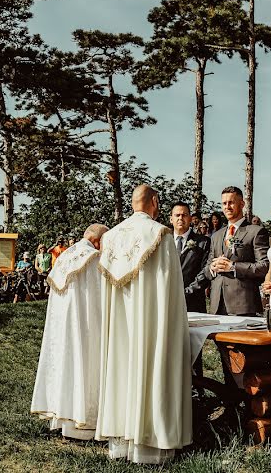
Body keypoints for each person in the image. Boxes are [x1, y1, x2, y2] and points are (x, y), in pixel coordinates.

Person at [96, 185, 191, 464]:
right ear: (155, 202)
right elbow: (170, 288)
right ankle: (152, 440)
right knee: (152, 365)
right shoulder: (160, 234)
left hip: (121, 325)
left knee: (121, 368)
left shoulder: (111, 237)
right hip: (152, 320)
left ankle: (122, 440)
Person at [31, 223, 109, 440]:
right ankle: (84, 423)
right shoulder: (93, 258)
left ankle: (62, 416)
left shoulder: (66, 256)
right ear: (97, 241)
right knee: (85, 365)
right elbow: (99, 295)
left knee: (65, 365)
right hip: (85, 324)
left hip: (62, 327)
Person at [203, 186, 270, 316]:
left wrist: (233, 267)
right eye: (224, 203)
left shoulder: (255, 231)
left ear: (242, 204)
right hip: (217, 306)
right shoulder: (216, 235)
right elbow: (206, 270)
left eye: (231, 202)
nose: (227, 206)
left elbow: (264, 266)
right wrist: (212, 267)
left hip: (243, 305)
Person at [170, 201, 211, 379]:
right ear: (171, 219)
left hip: (193, 301)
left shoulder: (203, 243)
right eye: (177, 215)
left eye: (184, 214)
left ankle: (197, 393)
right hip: (168, 302)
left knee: (194, 349)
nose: (181, 218)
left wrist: (186, 292)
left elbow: (204, 273)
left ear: (191, 219)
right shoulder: (163, 242)